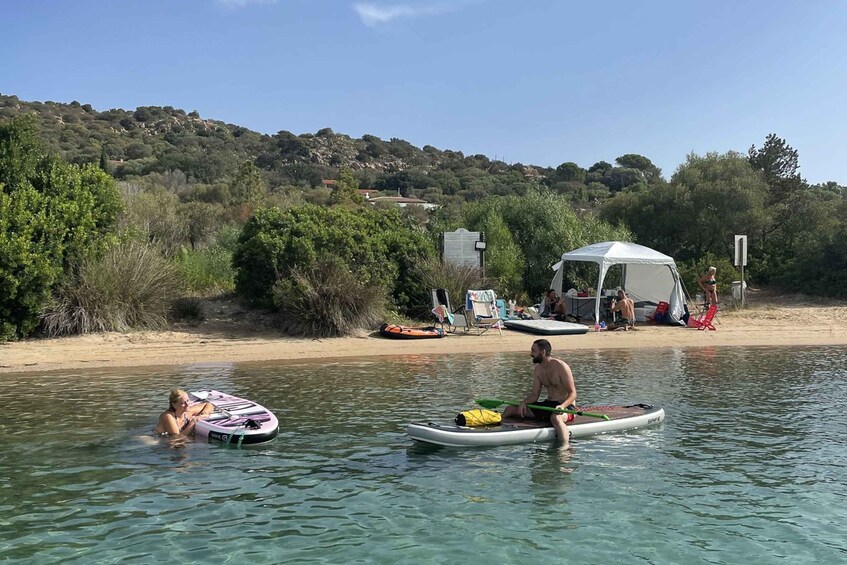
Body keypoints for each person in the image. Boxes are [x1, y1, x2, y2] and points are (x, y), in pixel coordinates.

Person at [502, 339, 577, 444]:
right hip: (547, 405)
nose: (531, 354)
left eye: (533, 351)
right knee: (510, 409)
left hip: (566, 407)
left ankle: (564, 447)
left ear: (543, 352)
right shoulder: (538, 370)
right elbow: (534, 395)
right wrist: (524, 402)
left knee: (555, 418)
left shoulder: (561, 367)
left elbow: (573, 393)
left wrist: (563, 406)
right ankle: (498, 432)